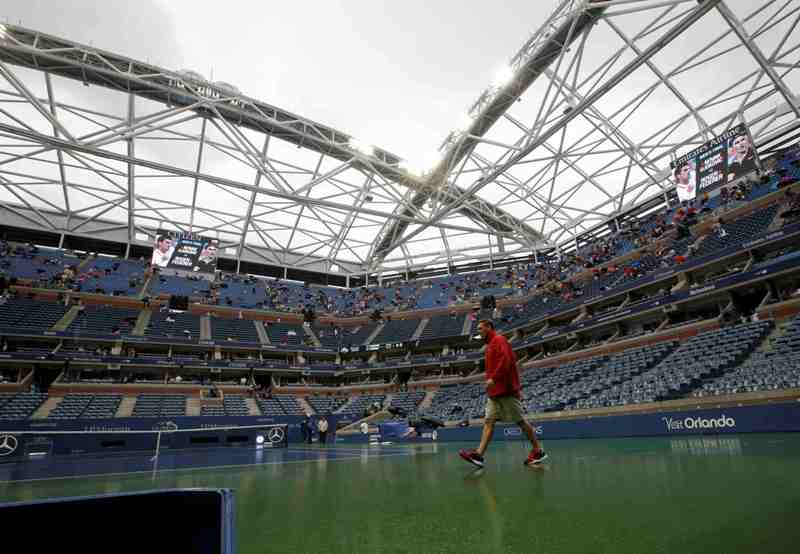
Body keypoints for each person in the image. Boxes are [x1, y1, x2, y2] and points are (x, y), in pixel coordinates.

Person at [459, 319, 547, 468]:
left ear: (489, 327)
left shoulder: (499, 340)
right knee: (488, 421)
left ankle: (538, 451)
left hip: (506, 390)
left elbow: (506, 360)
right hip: (494, 392)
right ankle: (479, 455)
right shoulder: (488, 347)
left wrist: (494, 378)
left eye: (480, 328)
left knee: (520, 421)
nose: (478, 331)